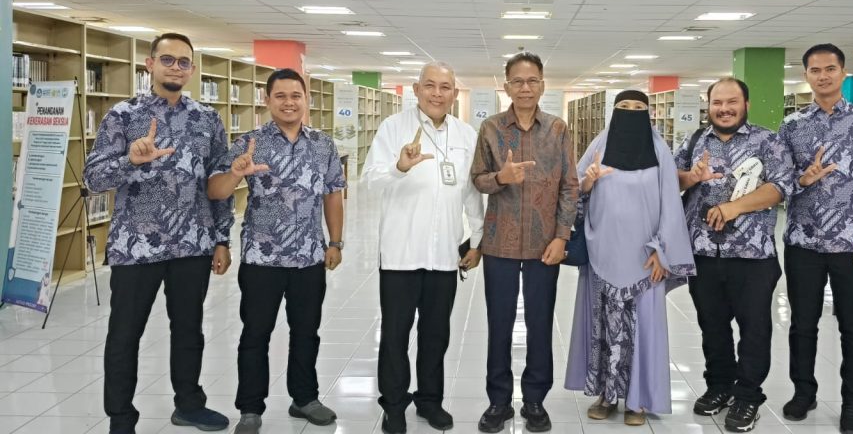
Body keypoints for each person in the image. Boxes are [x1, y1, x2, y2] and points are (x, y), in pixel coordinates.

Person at [84, 32, 233, 434]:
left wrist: (222, 238)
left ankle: (189, 405)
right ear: (149, 64)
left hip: (192, 245)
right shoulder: (123, 115)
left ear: (192, 70)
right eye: (167, 59)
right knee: (124, 335)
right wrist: (130, 161)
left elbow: (218, 182)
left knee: (189, 331)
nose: (175, 68)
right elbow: (93, 178)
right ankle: (121, 418)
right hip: (135, 247)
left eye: (183, 62)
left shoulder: (207, 119)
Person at [207, 68, 345, 434]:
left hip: (309, 257)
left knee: (307, 331)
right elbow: (216, 192)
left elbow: (333, 193)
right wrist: (236, 173)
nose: (289, 102)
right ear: (267, 100)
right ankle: (250, 408)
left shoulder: (323, 145)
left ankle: (305, 399)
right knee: (256, 333)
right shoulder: (249, 143)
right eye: (280, 96)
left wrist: (335, 242)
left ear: (306, 99)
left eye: (295, 95)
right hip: (262, 258)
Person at [362, 63, 486, 434]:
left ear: (454, 93)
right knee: (395, 336)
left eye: (445, 87)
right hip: (401, 253)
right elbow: (370, 181)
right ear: (416, 90)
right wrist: (399, 167)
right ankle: (394, 405)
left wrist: (477, 240)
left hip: (445, 254)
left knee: (436, 335)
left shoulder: (465, 134)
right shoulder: (393, 127)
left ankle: (430, 400)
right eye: (429, 85)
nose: (437, 93)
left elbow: (471, 192)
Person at [778, 44, 853, 434]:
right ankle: (803, 392)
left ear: (843, 72)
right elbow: (779, 183)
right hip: (803, 243)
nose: (823, 76)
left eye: (830, 69)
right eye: (815, 70)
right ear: (806, 76)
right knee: (802, 325)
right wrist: (803, 179)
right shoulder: (792, 125)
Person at [565, 90, 695, 427]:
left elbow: (671, 204)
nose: (631, 112)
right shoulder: (599, 145)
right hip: (602, 254)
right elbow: (573, 191)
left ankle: (638, 400)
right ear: (614, 111)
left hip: (645, 259)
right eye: (624, 107)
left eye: (639, 107)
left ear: (648, 114)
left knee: (643, 328)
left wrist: (662, 250)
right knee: (604, 327)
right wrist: (588, 183)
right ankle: (606, 395)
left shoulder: (659, 151)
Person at [675, 78, 794, 433]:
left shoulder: (767, 141)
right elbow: (671, 181)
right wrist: (690, 177)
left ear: (746, 105)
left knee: (754, 328)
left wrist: (733, 208)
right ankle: (719, 385)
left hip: (752, 255)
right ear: (708, 105)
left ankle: (748, 395)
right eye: (717, 103)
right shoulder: (694, 141)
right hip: (703, 252)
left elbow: (780, 187)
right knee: (712, 325)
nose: (724, 109)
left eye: (732, 102)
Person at [470, 52, 579, 433]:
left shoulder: (558, 129)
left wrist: (562, 236)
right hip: (499, 243)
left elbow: (570, 186)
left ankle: (534, 400)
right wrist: (501, 178)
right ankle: (498, 402)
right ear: (507, 86)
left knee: (540, 323)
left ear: (543, 85)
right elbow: (477, 179)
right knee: (498, 324)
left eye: (532, 81)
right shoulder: (490, 128)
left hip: (544, 244)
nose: (525, 88)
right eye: (517, 81)